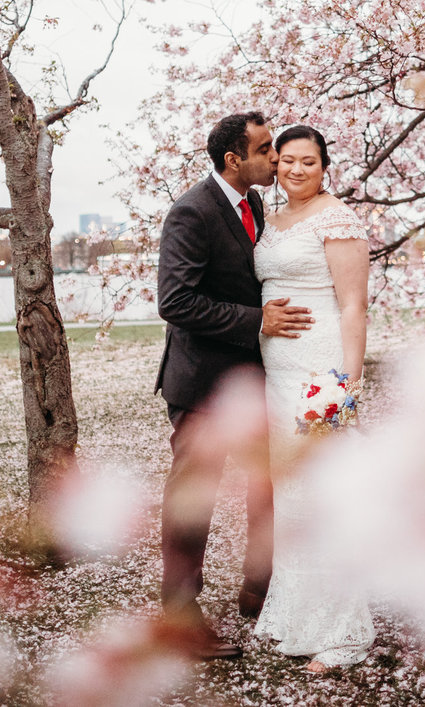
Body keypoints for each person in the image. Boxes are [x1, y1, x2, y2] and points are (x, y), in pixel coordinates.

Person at [155, 111, 314, 660]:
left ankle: (258, 587)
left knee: (266, 486)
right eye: (267, 149)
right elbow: (174, 302)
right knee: (192, 500)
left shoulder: (255, 205)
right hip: (202, 386)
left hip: (256, 382)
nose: (277, 158)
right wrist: (256, 322)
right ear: (234, 159)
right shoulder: (191, 213)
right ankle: (178, 616)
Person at [252, 123, 375, 671]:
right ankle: (297, 618)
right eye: (287, 161)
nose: (296, 170)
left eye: (309, 161)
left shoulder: (338, 219)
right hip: (276, 372)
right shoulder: (269, 221)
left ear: (325, 166)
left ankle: (341, 632)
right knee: (292, 499)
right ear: (274, 164)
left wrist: (347, 383)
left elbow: (354, 306)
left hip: (319, 372)